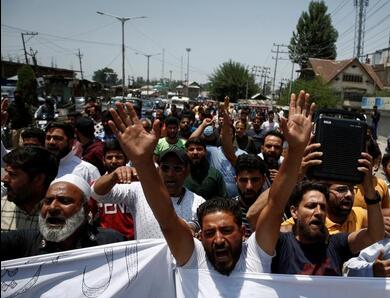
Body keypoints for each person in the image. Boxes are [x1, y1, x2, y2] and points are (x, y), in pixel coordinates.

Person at [106, 90, 315, 276]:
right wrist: (143, 162)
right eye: (209, 233)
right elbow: (167, 219)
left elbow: (276, 204)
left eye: (226, 230)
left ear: (243, 233)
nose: (218, 240)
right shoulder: (193, 259)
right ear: (200, 238)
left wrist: (295, 151)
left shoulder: (256, 255)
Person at [1, 174, 125, 261]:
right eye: (48, 201)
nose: (52, 207)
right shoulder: (24, 243)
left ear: (86, 209)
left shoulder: (110, 242)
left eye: (64, 201)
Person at [92, 146, 205, 238]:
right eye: (165, 168)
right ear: (158, 170)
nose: (170, 174)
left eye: (177, 168)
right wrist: (114, 176)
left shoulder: (198, 202)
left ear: (187, 171)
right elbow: (97, 193)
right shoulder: (139, 190)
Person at [1, 146, 58, 232]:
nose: (4, 179)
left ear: (38, 179)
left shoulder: (59, 215)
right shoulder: (2, 206)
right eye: (6, 172)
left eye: (13, 174)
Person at [90, 140, 135, 240]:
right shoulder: (97, 187)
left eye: (118, 157)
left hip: (133, 241)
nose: (114, 161)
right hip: (107, 242)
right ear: (103, 160)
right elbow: (90, 215)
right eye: (109, 157)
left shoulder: (135, 184)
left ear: (126, 159)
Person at [233, 154, 268, 237]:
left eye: (255, 180)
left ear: (263, 180)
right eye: (243, 180)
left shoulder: (272, 209)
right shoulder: (228, 210)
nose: (249, 186)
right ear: (236, 180)